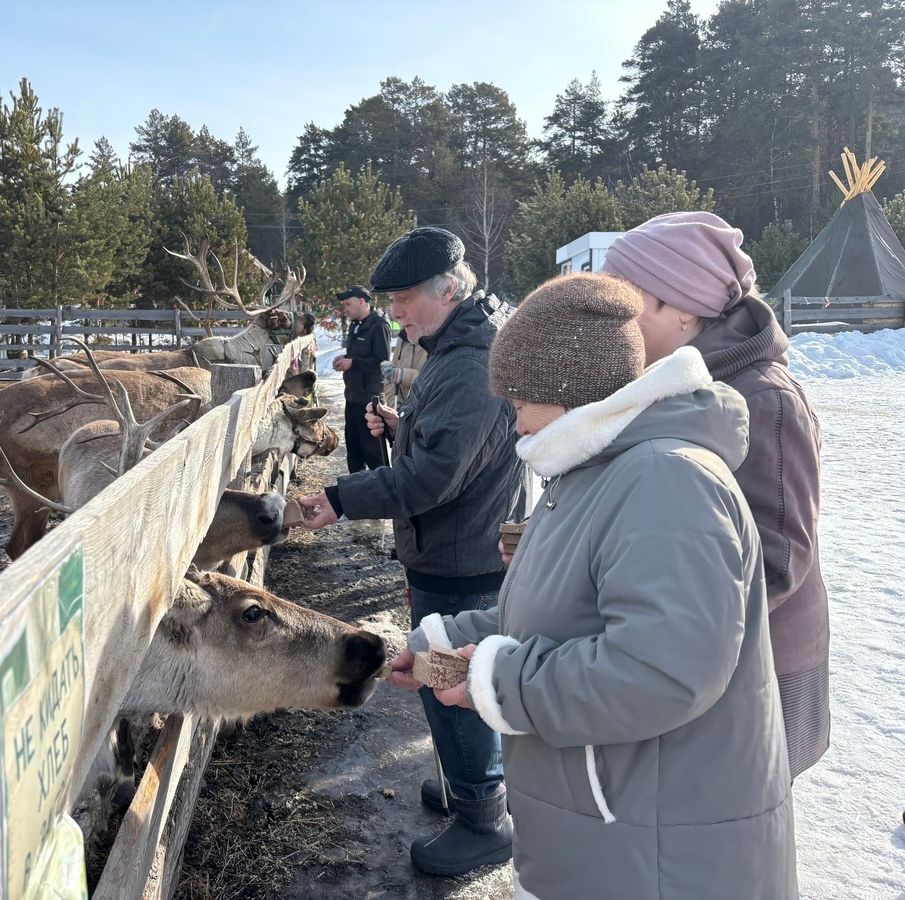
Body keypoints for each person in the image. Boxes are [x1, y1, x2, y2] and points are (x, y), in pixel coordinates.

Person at [389, 272, 797, 899]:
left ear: (570, 392)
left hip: (659, 860)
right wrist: (441, 643)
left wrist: (497, 679)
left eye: (519, 402)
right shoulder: (591, 473)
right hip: (608, 835)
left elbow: (661, 672)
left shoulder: (665, 481)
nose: (514, 424)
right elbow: (557, 613)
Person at [298, 227, 526, 876]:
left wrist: (340, 498)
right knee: (441, 677)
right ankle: (466, 785)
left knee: (452, 683)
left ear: (447, 289)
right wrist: (406, 429)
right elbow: (457, 453)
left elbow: (431, 480)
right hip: (451, 547)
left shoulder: (470, 366)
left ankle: (482, 814)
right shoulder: (456, 351)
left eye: (403, 299)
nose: (395, 313)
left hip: (458, 559)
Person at [603, 210, 829, 779]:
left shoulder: (764, 399)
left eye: (623, 295)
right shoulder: (663, 379)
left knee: (738, 818)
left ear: (683, 308)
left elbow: (778, 560)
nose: (607, 311)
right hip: (691, 659)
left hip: (758, 666)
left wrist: (652, 618)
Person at [332, 285, 392, 472]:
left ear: (361, 302)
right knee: (354, 451)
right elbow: (358, 355)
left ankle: (381, 489)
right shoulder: (356, 325)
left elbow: (382, 361)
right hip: (352, 396)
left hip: (369, 399)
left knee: (374, 453)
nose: (345, 309)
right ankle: (356, 488)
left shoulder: (379, 326)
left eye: (348, 304)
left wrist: (353, 363)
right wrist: (344, 359)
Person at [380, 319, 428, 409]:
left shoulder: (437, 339)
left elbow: (436, 382)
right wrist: (398, 408)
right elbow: (390, 380)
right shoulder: (402, 337)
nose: (395, 315)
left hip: (426, 413)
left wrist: (402, 375)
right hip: (401, 414)